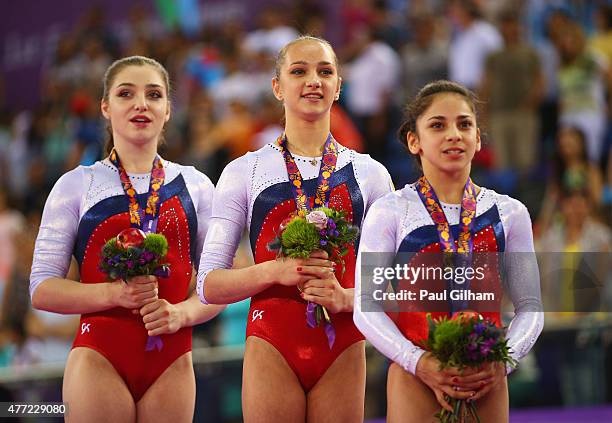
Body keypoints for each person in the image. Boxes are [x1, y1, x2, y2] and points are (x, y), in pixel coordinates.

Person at [197, 36, 393, 422]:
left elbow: (392, 284)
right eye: (298, 71)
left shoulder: (372, 175)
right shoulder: (244, 171)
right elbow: (208, 284)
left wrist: (345, 298)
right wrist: (273, 271)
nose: (313, 81)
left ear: (339, 86)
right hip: (272, 342)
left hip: (344, 345)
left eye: (325, 72)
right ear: (277, 87)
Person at [30, 56, 225, 422]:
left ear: (168, 110)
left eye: (154, 95)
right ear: (105, 107)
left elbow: (217, 285)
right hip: (100, 358)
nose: (141, 104)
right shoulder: (76, 185)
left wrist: (181, 313)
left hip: (173, 360)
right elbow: (41, 289)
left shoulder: (197, 186)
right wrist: (113, 294)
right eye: (126, 94)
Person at [353, 80, 544, 422]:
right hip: (415, 374)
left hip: (485, 376)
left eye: (464, 124)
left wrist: (504, 361)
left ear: (478, 138)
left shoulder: (510, 213)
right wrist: (418, 362)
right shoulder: (391, 211)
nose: (454, 134)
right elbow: (365, 307)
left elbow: (530, 308)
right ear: (414, 140)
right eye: (438, 125)